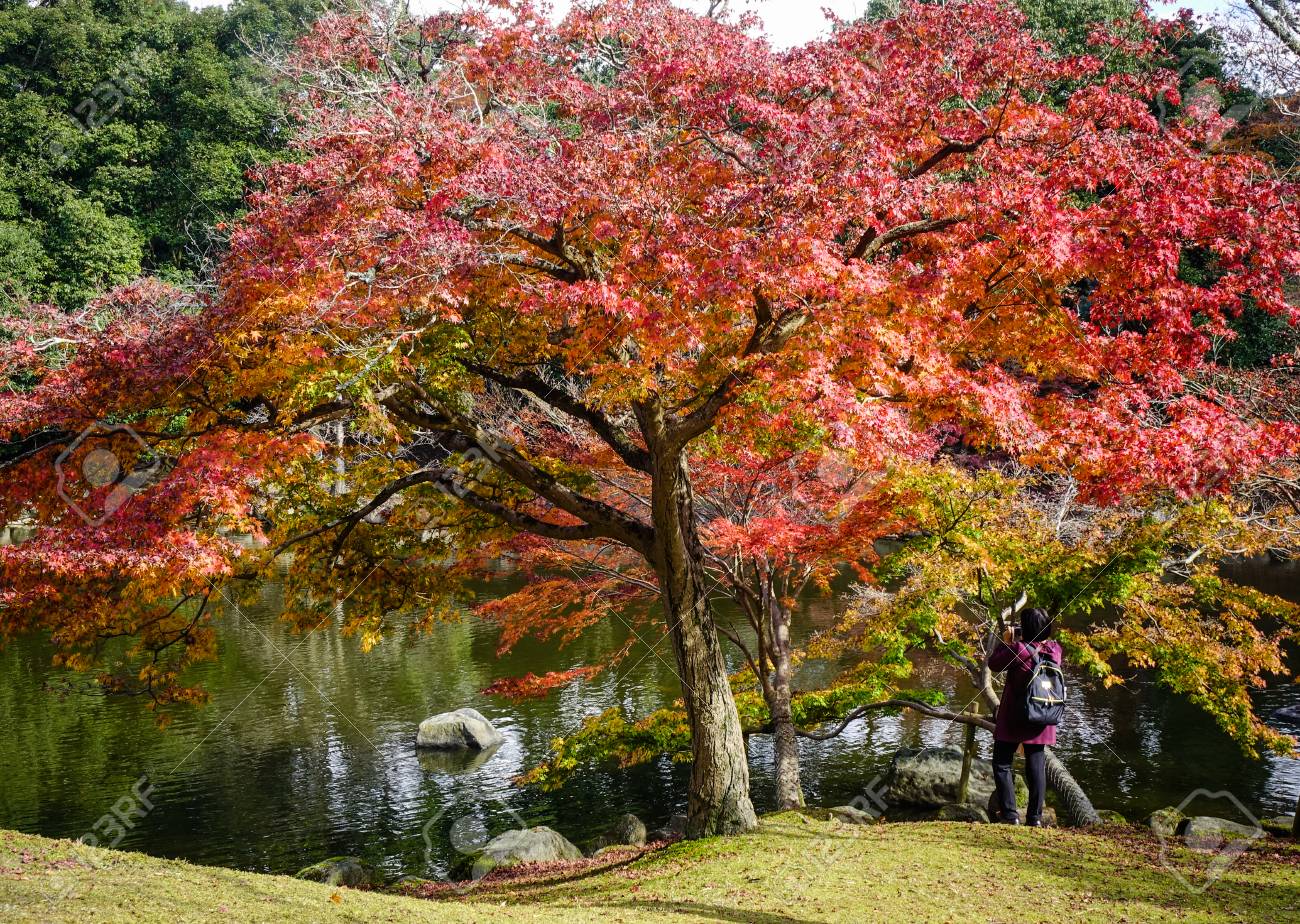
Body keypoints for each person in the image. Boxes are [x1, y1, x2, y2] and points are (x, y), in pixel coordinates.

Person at [988, 606, 1061, 826]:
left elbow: (994, 664)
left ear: (1026, 628)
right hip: (1043, 713)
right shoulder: (1055, 649)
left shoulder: (1018, 649)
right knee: (1036, 764)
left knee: (1002, 763)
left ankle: (1010, 815)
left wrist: (1007, 641)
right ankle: (1035, 818)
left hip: (1015, 716)